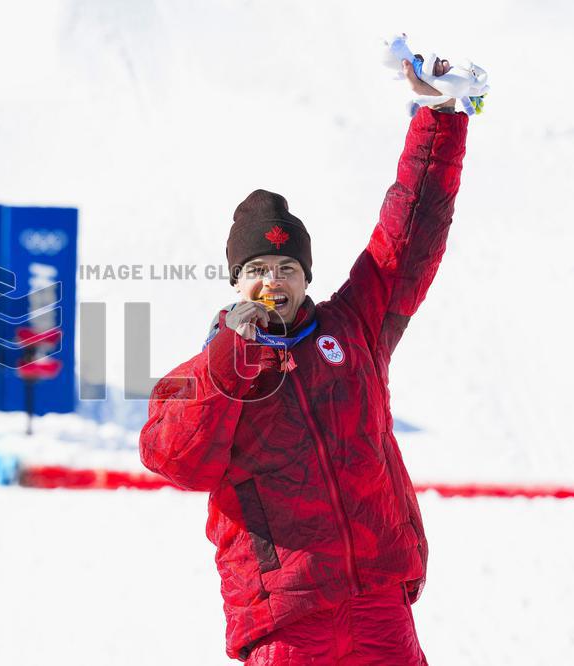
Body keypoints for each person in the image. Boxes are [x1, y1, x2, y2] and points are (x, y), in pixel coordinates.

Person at [139, 59, 469, 664]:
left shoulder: (354, 328)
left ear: (305, 278)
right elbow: (175, 460)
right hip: (286, 623)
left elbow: (409, 237)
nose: (273, 282)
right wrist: (232, 361)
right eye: (258, 271)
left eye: (287, 269)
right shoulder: (207, 370)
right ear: (237, 283)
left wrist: (438, 119)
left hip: (379, 603)